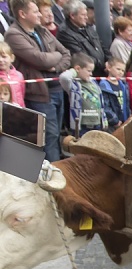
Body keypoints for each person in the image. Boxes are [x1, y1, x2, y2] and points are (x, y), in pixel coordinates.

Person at [5, 0, 71, 162]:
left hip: (57, 90)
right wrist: (55, 58)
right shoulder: (14, 35)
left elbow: (66, 53)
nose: (40, 14)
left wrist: (54, 67)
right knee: (47, 137)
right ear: (22, 14)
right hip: (39, 94)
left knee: (56, 135)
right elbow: (40, 60)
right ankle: (51, 176)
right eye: (35, 11)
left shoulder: (42, 30)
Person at [57, 0, 111, 77]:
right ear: (72, 15)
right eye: (83, 15)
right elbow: (80, 55)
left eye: (86, 14)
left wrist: (110, 62)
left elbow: (101, 45)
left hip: (102, 72)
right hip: (87, 75)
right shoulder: (65, 33)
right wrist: (103, 64)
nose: (86, 17)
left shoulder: (87, 27)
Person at [59, 52, 107, 135]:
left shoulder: (93, 82)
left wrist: (104, 120)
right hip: (82, 126)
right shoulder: (73, 85)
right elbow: (64, 77)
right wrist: (74, 72)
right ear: (77, 68)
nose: (91, 74)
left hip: (97, 124)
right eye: (88, 71)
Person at [98, 57, 130, 133]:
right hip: (111, 124)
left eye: (123, 70)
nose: (121, 72)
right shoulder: (104, 85)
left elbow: (127, 104)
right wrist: (115, 120)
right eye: (118, 69)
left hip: (123, 120)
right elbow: (105, 106)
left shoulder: (123, 85)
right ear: (109, 67)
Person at [0, 41, 25, 107]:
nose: (0, 60)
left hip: (18, 112)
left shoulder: (19, 75)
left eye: (4, 57)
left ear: (12, 58)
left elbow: (22, 95)